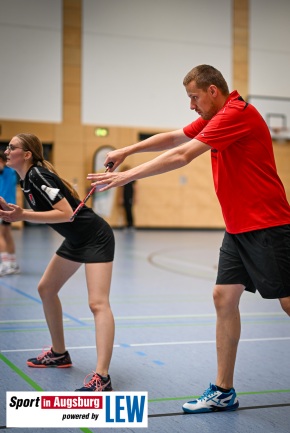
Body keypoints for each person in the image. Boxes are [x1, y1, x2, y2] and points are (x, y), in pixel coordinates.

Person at [87, 64, 290, 412]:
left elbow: (182, 154)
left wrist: (126, 177)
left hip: (268, 226)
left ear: (213, 91)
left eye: (194, 97)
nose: (191, 105)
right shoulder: (217, 115)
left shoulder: (237, 113)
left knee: (287, 303)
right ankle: (224, 390)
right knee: (223, 298)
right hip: (238, 229)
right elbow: (175, 137)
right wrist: (127, 152)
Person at [0, 133, 115, 392]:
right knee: (46, 288)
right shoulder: (26, 181)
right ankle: (59, 353)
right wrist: (20, 214)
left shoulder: (37, 175)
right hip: (76, 239)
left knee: (98, 303)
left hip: (95, 237)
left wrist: (22, 215)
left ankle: (102, 377)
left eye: (12, 147)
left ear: (27, 154)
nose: (7, 151)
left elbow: (65, 213)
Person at [0, 151, 20, 276]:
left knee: (0, 235)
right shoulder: (9, 173)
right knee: (7, 234)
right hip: (8, 208)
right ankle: (12, 263)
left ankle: (5, 265)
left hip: (4, 207)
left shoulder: (10, 172)